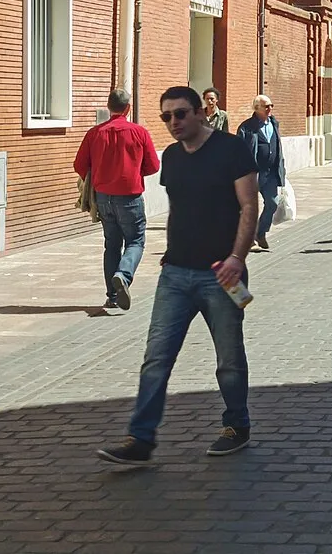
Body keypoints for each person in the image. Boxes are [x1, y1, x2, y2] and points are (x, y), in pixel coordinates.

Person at [97, 86, 258, 466]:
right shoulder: (171, 157)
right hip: (176, 275)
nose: (173, 123)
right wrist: (169, 255)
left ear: (201, 112)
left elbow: (250, 205)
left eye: (181, 114)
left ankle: (237, 425)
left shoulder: (231, 149)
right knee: (156, 357)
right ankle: (141, 438)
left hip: (223, 273)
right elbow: (181, 211)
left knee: (229, 357)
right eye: (166, 116)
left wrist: (238, 257)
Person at [73, 90, 161, 309]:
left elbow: (79, 164)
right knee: (136, 240)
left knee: (111, 243)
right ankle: (123, 274)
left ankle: (112, 296)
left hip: (103, 197)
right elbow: (153, 165)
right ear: (128, 108)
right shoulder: (139, 132)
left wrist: (98, 176)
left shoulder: (95, 133)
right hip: (129, 196)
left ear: (109, 106)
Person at [237, 94, 286, 251]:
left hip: (271, 172)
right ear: (256, 108)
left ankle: (261, 232)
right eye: (266, 106)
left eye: (271, 105)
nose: (270, 109)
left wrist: (281, 171)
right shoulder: (246, 128)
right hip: (252, 174)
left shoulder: (274, 124)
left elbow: (278, 148)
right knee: (249, 207)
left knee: (272, 203)